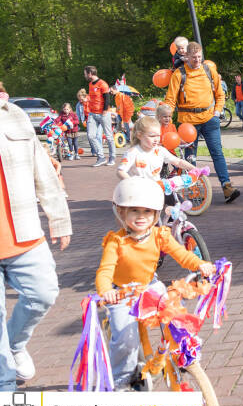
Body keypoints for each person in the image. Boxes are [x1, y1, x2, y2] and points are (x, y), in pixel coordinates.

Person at [97, 177, 213, 390]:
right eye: (134, 211)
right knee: (125, 336)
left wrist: (200, 264)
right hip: (122, 291)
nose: (141, 217)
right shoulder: (116, 241)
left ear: (156, 214)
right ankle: (122, 379)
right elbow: (105, 271)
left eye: (147, 212)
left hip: (150, 285)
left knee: (175, 315)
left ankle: (182, 353)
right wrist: (106, 291)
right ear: (122, 213)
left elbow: (181, 254)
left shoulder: (160, 235)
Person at [0, 83, 70, 390]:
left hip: (23, 232)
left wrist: (59, 218)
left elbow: (42, 169)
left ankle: (14, 344)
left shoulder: (14, 115)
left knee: (43, 293)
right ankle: (6, 392)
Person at [164, 41, 241, 203]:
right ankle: (192, 191)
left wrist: (218, 112)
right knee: (190, 158)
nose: (197, 60)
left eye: (199, 57)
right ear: (187, 57)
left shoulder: (209, 70)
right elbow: (170, 99)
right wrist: (166, 118)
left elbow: (220, 94)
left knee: (218, 153)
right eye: (194, 57)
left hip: (209, 119)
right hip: (188, 123)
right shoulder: (179, 74)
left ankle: (227, 187)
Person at [117, 117, 194, 181]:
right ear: (139, 135)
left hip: (156, 189)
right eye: (152, 136)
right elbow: (121, 171)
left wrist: (194, 169)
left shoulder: (160, 150)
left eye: (158, 135)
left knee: (176, 198)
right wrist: (132, 183)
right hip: (137, 192)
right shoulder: (133, 152)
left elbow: (178, 162)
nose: (156, 139)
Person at [84, 66, 116, 167]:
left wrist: (105, 111)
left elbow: (107, 98)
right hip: (92, 114)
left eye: (85, 73)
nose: (84, 75)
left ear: (90, 73)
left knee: (109, 136)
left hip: (103, 113)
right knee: (91, 135)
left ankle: (112, 157)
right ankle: (101, 157)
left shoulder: (102, 84)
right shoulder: (90, 84)